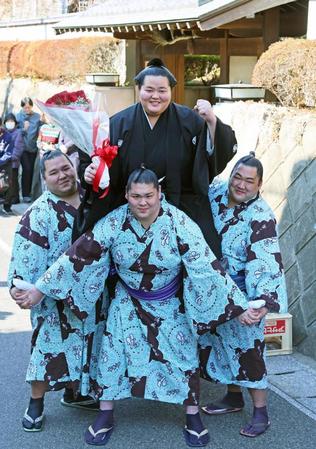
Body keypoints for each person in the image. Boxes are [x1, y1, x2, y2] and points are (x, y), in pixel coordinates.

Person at [17, 167, 262, 447]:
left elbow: (206, 266)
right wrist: (40, 289)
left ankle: (192, 416)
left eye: (148, 195)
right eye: (135, 196)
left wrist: (239, 306)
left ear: (160, 194)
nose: (142, 202)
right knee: (112, 355)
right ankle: (105, 415)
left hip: (168, 302)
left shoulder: (179, 222)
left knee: (183, 358)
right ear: (127, 196)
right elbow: (80, 255)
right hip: (127, 300)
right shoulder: (115, 221)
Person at [74, 58, 237, 259]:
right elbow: (92, 159)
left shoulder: (189, 120)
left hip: (180, 206)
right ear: (139, 90)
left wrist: (212, 120)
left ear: (171, 91)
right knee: (97, 249)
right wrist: (90, 173)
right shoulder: (118, 123)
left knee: (203, 255)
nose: (155, 96)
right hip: (131, 207)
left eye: (162, 90)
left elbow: (217, 152)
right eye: (149, 90)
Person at [7, 150, 100, 433]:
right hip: (52, 299)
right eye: (54, 172)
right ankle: (35, 403)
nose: (63, 175)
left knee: (88, 347)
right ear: (44, 179)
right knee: (47, 351)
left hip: (90, 295)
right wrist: (20, 287)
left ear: (73, 167)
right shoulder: (39, 212)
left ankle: (76, 393)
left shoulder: (93, 199)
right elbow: (25, 256)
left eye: (65, 168)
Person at [200, 154, 288, 437]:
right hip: (214, 289)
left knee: (249, 351)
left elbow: (265, 259)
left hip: (245, 291)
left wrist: (260, 301)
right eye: (238, 176)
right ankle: (233, 397)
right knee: (220, 344)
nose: (241, 184)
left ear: (259, 184)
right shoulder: (216, 193)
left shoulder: (260, 215)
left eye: (249, 181)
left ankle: (261, 413)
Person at [16, 97, 41, 203]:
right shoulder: (18, 117)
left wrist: (44, 122)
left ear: (32, 106)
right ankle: (25, 194)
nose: (27, 109)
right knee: (27, 169)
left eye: (29, 107)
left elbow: (42, 129)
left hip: (33, 148)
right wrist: (24, 129)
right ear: (22, 107)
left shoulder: (37, 116)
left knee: (31, 170)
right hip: (22, 148)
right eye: (25, 107)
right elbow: (14, 132)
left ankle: (29, 193)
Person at [31, 114, 61, 200]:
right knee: (42, 178)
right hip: (42, 155)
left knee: (52, 177)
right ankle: (45, 198)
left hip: (53, 156)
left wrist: (53, 148)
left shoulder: (59, 128)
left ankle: (53, 198)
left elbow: (59, 143)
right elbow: (38, 142)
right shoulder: (43, 128)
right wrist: (42, 146)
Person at [3, 113, 25, 205]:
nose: (10, 123)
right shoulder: (3, 132)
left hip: (12, 163)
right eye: (8, 121)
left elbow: (18, 148)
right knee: (4, 181)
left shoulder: (18, 133)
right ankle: (6, 198)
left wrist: (9, 158)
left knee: (13, 181)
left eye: (11, 121)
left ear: (15, 123)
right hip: (3, 162)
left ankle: (15, 198)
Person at [0, 118, 14, 214]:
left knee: (6, 185)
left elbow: (8, 153)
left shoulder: (8, 136)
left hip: (5, 164)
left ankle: (7, 205)